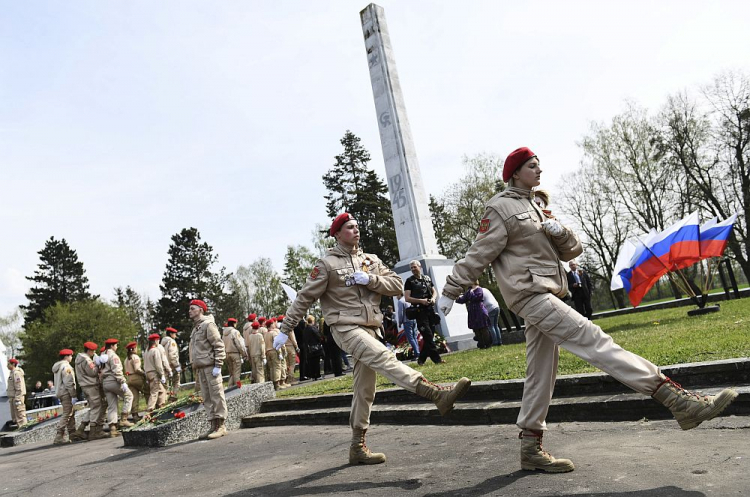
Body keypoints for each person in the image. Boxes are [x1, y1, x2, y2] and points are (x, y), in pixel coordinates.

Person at [437, 146, 739, 473]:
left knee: (540, 372)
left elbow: (572, 250)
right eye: (532, 166)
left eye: (539, 166)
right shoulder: (500, 208)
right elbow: (479, 254)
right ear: (515, 172)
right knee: (593, 338)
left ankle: (530, 445)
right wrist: (451, 290)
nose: (539, 171)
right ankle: (677, 400)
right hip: (530, 294)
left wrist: (561, 232)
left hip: (548, 292)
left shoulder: (537, 206)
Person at [277, 212, 471, 465]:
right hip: (345, 327)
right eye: (349, 227)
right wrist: (285, 329)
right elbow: (304, 297)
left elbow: (397, 286)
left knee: (364, 389)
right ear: (337, 234)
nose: (356, 230)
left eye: (357, 226)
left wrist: (371, 279)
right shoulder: (326, 265)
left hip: (371, 328)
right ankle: (435, 394)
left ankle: (357, 446)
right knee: (383, 357)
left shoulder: (371, 260)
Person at [188, 299, 228, 440]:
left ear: (201, 310)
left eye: (193, 308)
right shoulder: (196, 328)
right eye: (190, 308)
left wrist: (218, 365)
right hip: (201, 368)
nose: (190, 311)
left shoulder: (208, 325)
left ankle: (221, 426)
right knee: (207, 398)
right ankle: (213, 425)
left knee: (216, 395)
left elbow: (218, 345)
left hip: (211, 367)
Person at [404, 260, 444, 365]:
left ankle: (421, 359)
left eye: (414, 267)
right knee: (428, 335)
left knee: (429, 336)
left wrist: (434, 298)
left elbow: (434, 291)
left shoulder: (427, 278)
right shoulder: (409, 281)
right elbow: (407, 298)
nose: (413, 269)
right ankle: (437, 360)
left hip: (430, 310)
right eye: (411, 268)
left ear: (420, 267)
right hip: (419, 312)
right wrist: (421, 301)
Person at [99, 339, 134, 437]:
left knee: (112, 405)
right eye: (116, 345)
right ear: (112, 346)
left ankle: (112, 428)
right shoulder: (113, 355)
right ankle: (124, 420)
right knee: (129, 396)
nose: (117, 347)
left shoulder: (102, 355)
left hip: (105, 383)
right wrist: (122, 381)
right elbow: (117, 369)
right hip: (114, 381)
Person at [73, 341, 104, 441]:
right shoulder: (87, 360)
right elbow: (93, 372)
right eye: (93, 351)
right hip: (91, 385)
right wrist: (98, 365)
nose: (94, 353)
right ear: (89, 350)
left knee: (92, 407)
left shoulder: (79, 358)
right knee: (96, 407)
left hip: (84, 386)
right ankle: (93, 432)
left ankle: (81, 429)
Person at [456, 282, 493, 349]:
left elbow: (477, 297)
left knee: (483, 328)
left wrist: (471, 292)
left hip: (479, 310)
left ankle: (488, 344)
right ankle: (481, 344)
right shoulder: (469, 290)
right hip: (473, 311)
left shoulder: (478, 289)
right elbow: (463, 299)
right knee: (476, 329)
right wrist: (456, 298)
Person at [52, 349, 77, 445]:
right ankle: (59, 435)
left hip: (60, 392)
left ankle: (72, 433)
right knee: (67, 413)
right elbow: (69, 382)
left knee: (70, 412)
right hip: (66, 392)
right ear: (66, 356)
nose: (71, 357)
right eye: (71, 356)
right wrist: (73, 395)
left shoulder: (57, 366)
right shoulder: (66, 366)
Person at [144, 333, 167, 411]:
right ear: (156, 341)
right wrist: (162, 375)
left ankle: (161, 407)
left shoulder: (147, 351)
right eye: (158, 340)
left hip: (148, 373)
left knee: (162, 390)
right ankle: (150, 410)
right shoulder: (155, 351)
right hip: (154, 374)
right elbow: (158, 365)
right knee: (154, 393)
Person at [124, 341, 147, 422]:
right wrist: (144, 373)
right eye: (136, 347)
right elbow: (137, 369)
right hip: (136, 377)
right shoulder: (135, 357)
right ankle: (151, 410)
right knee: (148, 391)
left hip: (129, 378)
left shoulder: (126, 358)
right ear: (133, 349)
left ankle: (135, 415)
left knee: (134, 397)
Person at [222, 318, 247, 386]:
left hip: (227, 354)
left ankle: (230, 387)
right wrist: (244, 354)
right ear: (233, 323)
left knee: (231, 373)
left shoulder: (224, 334)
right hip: (235, 354)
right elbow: (239, 344)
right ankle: (238, 388)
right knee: (237, 373)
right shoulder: (235, 332)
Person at [161, 328, 181, 400]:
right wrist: (177, 365)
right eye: (174, 334)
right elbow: (172, 355)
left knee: (165, 385)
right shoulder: (172, 342)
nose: (175, 335)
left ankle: (164, 400)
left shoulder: (162, 343)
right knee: (176, 382)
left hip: (164, 366)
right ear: (171, 334)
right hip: (172, 365)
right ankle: (174, 396)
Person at [6, 358, 27, 428]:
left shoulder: (16, 373)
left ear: (13, 364)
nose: (7, 365)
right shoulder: (12, 373)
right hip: (13, 397)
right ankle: (19, 427)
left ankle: (23, 427)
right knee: (15, 415)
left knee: (20, 412)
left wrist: (17, 397)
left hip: (17, 397)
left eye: (8, 364)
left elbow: (19, 386)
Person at [278, 315, 298, 386]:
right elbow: (293, 339)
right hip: (290, 346)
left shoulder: (279, 329)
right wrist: (296, 346)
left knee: (286, 364)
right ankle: (290, 379)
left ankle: (285, 379)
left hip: (283, 347)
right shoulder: (289, 328)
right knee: (292, 364)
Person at [304, 316, 325, 380]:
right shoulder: (313, 328)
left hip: (309, 348)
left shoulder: (305, 329)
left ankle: (313, 375)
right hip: (315, 347)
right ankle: (317, 375)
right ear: (312, 321)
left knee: (311, 363)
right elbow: (318, 336)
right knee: (316, 362)